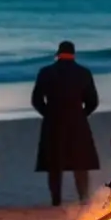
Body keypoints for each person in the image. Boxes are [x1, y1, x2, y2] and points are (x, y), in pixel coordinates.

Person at [32, 41, 100, 206]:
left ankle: (56, 199)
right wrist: (82, 114)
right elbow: (93, 101)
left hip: (53, 121)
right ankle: (83, 196)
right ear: (73, 54)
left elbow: (36, 100)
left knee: (55, 163)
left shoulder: (46, 72)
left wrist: (47, 113)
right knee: (80, 162)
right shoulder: (83, 73)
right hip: (77, 120)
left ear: (58, 53)